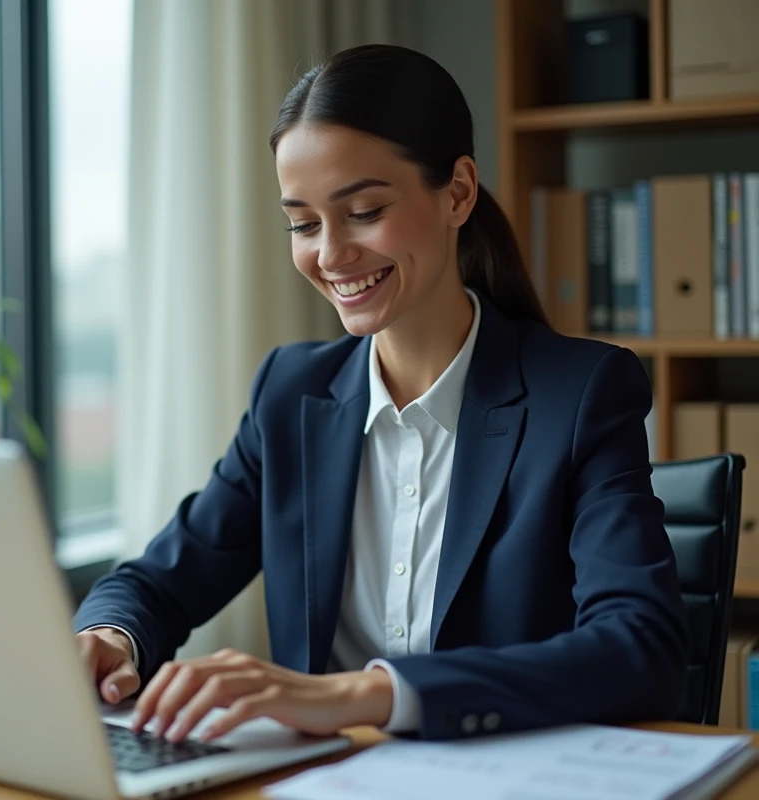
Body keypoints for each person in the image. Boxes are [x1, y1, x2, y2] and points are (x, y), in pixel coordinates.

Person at [72, 43, 689, 743]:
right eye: (303, 224)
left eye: (363, 210)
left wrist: (367, 695)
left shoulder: (580, 395)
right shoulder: (291, 394)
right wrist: (110, 637)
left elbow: (642, 650)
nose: (330, 254)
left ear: (457, 192)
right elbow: (160, 580)